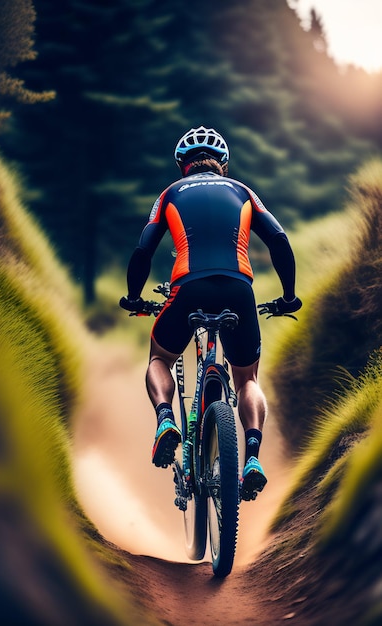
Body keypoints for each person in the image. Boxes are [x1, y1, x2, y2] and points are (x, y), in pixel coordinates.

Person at [120, 126, 301, 501]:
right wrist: (288, 296)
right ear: (223, 164)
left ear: (181, 165)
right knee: (247, 380)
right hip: (239, 290)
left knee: (160, 357)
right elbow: (279, 240)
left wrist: (134, 296)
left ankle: (166, 420)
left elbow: (143, 250)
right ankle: (251, 457)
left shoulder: (170, 193)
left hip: (189, 286)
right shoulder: (243, 191)